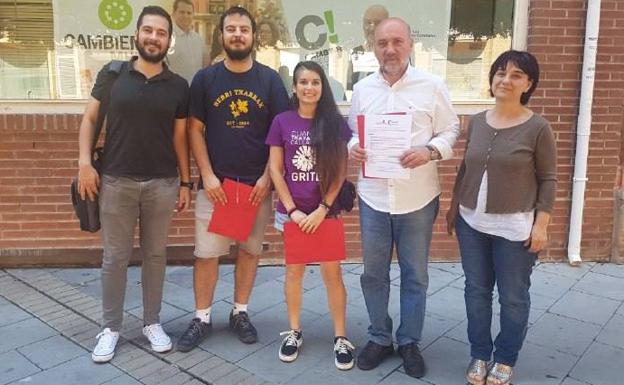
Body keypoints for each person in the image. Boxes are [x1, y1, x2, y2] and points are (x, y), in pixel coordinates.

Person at [77, 6, 191, 363]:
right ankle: (111, 328)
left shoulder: (178, 86)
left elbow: (180, 138)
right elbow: (91, 118)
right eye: (149, 30)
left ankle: (152, 322)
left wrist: (186, 182)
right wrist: (83, 164)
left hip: (162, 183)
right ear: (137, 34)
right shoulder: (113, 75)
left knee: (156, 256)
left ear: (168, 41)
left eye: (161, 33)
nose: (154, 37)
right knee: (115, 258)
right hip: (115, 180)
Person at [348, 17, 459, 378]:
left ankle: (409, 341)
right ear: (374, 47)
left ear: (411, 44)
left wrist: (431, 150)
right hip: (375, 198)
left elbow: (451, 128)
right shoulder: (363, 88)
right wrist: (355, 148)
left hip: (418, 197)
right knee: (373, 275)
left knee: (416, 276)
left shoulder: (432, 86)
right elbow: (353, 132)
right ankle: (379, 337)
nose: (390, 49)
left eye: (397, 41)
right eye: (383, 43)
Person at [177, 6, 289, 353]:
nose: (237, 34)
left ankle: (240, 312)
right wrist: (206, 176)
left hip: (256, 187)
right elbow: (195, 130)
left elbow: (280, 134)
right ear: (221, 35)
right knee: (207, 255)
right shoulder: (206, 79)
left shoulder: (270, 80)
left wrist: (267, 179)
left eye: (244, 29)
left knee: (250, 252)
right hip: (217, 187)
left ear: (254, 36)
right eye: (231, 29)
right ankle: (202, 316)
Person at [446, 50, 556, 385]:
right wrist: (453, 209)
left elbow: (548, 178)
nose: (505, 80)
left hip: (515, 228)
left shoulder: (538, 127)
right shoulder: (477, 121)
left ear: (529, 84)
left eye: (516, 75)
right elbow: (466, 167)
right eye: (500, 73)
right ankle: (479, 354)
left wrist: (542, 225)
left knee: (512, 296)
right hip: (472, 223)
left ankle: (505, 357)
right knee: (476, 291)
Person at [266, 61, 354, 370]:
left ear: (322, 86)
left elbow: (341, 169)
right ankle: (294, 331)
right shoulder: (282, 121)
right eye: (303, 82)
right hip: (291, 214)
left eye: (315, 82)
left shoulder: (334, 122)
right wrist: (292, 210)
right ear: (294, 87)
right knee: (294, 272)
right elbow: (276, 169)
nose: (309, 87)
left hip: (325, 214)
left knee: (333, 275)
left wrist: (322, 209)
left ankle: (341, 336)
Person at [347, 4, 388, 90]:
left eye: (377, 23)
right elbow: (349, 89)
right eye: (368, 22)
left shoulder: (396, 54)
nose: (371, 28)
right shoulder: (355, 53)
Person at [167, 0, 209, 84]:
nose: (186, 16)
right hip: (174, 90)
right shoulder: (167, 38)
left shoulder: (198, 39)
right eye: (182, 12)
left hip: (196, 90)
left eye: (189, 13)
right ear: (174, 14)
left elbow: (205, 64)